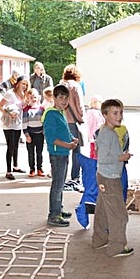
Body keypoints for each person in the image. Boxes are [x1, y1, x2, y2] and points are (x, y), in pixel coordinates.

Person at [92, 99, 134, 257]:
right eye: (115, 113)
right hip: (109, 178)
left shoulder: (108, 131)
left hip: (105, 177)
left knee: (102, 210)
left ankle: (99, 239)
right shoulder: (106, 134)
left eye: (121, 112)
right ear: (104, 115)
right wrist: (121, 157)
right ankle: (116, 246)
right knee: (119, 214)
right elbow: (102, 158)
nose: (119, 116)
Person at [42, 84, 78, 227]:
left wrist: (72, 139)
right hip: (57, 154)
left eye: (66, 98)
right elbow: (51, 138)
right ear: (54, 98)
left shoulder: (60, 113)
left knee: (61, 183)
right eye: (61, 97)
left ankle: (58, 208)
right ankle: (54, 214)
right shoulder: (51, 114)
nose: (64, 101)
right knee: (57, 184)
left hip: (63, 153)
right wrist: (68, 145)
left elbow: (64, 131)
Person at [0, 76, 29, 180]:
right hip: (9, 124)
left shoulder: (24, 95)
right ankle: (8, 171)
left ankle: (15, 166)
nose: (24, 86)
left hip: (18, 123)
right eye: (23, 83)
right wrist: (8, 113)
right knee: (10, 146)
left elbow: (21, 108)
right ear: (18, 83)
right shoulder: (10, 93)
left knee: (16, 145)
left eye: (26, 84)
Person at [61, 64, 86, 187]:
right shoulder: (76, 86)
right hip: (73, 121)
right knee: (76, 150)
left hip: (62, 120)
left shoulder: (61, 85)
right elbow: (80, 105)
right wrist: (81, 118)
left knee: (64, 148)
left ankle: (61, 175)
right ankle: (75, 177)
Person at [23, 88, 46, 177]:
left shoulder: (41, 109)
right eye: (31, 97)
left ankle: (39, 168)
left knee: (39, 153)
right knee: (31, 153)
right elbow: (24, 123)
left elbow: (44, 122)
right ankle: (32, 169)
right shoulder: (26, 110)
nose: (33, 99)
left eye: (35, 97)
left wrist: (44, 132)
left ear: (38, 97)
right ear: (27, 99)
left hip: (40, 134)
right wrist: (26, 135)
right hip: (30, 134)